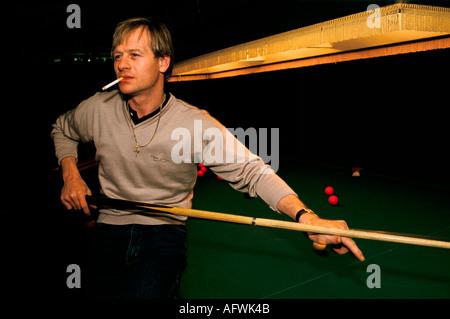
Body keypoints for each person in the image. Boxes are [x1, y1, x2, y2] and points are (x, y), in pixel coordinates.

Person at [51, 17, 364, 299]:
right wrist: (71, 174)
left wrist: (306, 217)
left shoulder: (193, 123)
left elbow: (253, 172)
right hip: (108, 230)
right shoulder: (98, 107)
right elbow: (62, 129)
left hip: (163, 234)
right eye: (118, 56)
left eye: (135, 55)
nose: (122, 64)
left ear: (163, 62)